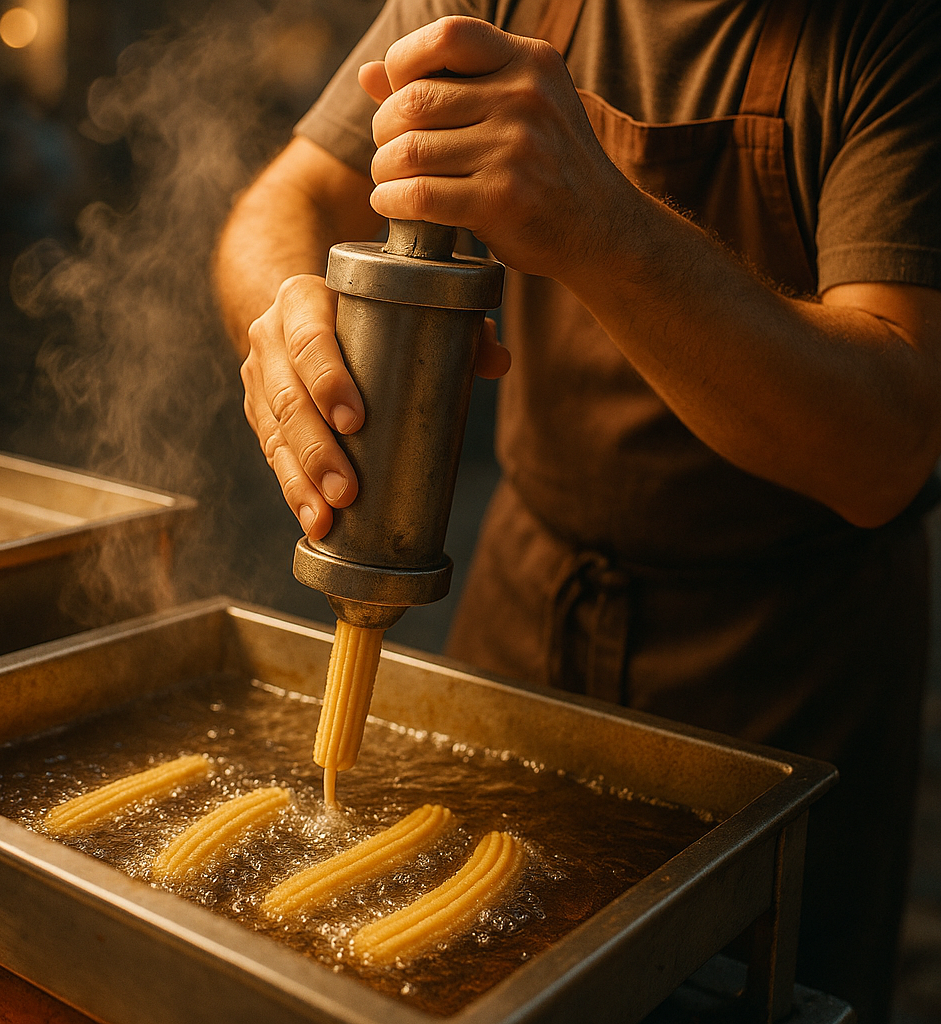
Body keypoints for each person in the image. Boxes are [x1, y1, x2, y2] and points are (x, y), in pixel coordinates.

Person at [213, 1, 941, 1020]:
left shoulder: (886, 37)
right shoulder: (481, 10)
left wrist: (602, 221)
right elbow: (284, 198)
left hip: (781, 666)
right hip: (529, 595)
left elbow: (888, 447)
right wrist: (283, 313)